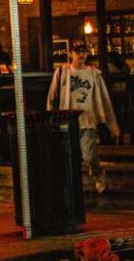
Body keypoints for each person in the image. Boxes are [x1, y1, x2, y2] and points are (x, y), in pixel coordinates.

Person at [46, 43, 120, 192]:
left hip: (87, 119)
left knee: (89, 155)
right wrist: (51, 118)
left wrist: (113, 126)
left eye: (84, 52)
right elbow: (52, 97)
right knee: (68, 156)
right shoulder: (62, 72)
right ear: (70, 53)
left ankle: (98, 175)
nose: (81, 55)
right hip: (67, 120)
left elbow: (104, 99)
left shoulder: (94, 73)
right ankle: (71, 186)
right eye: (78, 52)